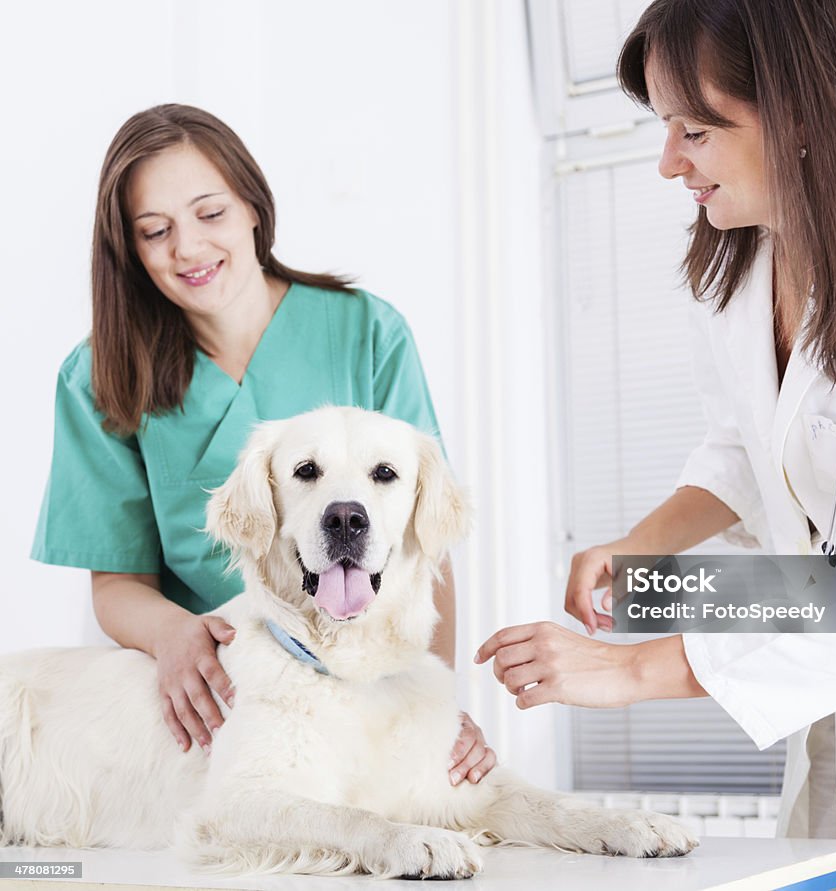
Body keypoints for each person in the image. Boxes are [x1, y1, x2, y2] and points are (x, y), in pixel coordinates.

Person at [476, 0, 836, 887]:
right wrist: (641, 550)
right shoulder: (751, 263)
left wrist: (621, 673)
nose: (668, 163)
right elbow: (748, 445)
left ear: (803, 111)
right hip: (828, 727)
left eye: (695, 130)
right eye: (665, 127)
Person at [32, 104, 494, 788]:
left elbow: (428, 548)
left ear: (253, 205)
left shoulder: (367, 332)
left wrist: (435, 703)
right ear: (128, 249)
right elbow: (116, 582)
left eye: (209, 214)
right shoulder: (100, 376)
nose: (187, 248)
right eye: (154, 231)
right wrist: (171, 637)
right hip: (218, 693)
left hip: (362, 679)